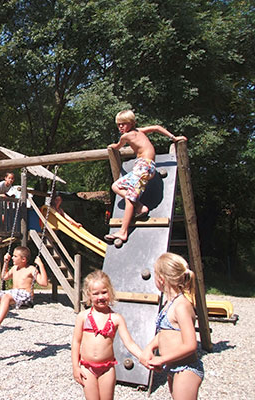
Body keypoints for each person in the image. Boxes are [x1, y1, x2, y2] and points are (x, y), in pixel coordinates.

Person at [105, 110, 186, 244]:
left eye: (123, 124)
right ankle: (140, 206)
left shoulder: (126, 137)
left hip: (144, 167)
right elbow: (156, 128)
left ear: (131, 123)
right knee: (116, 186)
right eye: (118, 125)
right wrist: (173, 137)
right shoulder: (140, 131)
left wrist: (112, 146)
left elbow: (117, 147)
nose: (120, 127)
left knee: (130, 197)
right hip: (142, 167)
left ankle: (123, 231)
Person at [140, 253, 203, 399]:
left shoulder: (181, 306)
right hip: (174, 367)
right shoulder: (170, 303)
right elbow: (165, 333)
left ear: (161, 279)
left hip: (186, 369)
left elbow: (190, 345)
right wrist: (150, 347)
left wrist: (162, 359)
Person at [71, 270, 142, 400]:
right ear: (89, 295)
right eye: (95, 294)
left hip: (107, 368)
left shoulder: (116, 318)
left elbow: (129, 343)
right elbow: (76, 342)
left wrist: (143, 357)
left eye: (104, 292)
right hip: (87, 367)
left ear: (110, 292)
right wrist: (75, 367)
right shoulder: (83, 316)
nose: (101, 297)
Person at [0, 246, 48, 339]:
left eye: (15, 256)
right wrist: (5, 263)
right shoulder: (14, 268)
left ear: (23, 259)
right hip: (13, 293)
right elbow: (4, 277)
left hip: (25, 294)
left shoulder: (31, 269)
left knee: (6, 296)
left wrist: (41, 265)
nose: (12, 258)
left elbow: (44, 283)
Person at [0, 172, 15, 240]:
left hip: (1, 203)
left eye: (12, 179)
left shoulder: (10, 186)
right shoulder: (1, 184)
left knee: (3, 218)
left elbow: (4, 193)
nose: (10, 180)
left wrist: (10, 196)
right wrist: (0, 196)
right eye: (9, 178)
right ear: (5, 178)